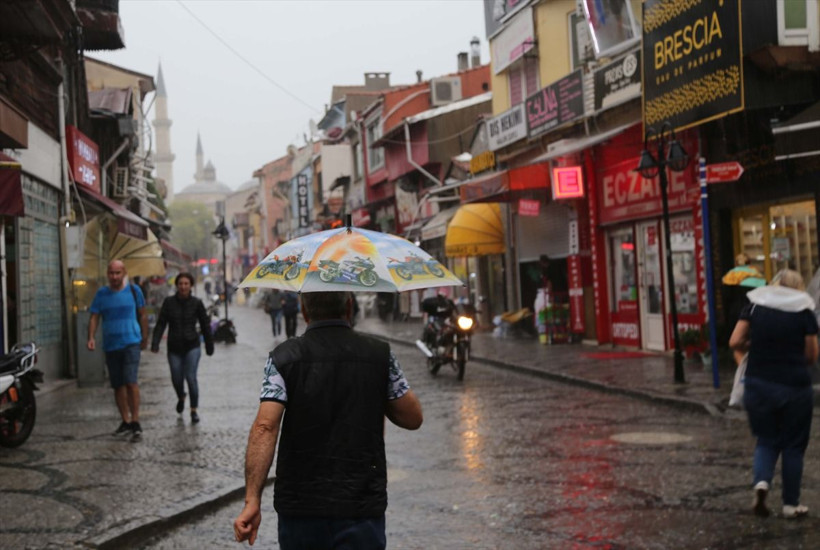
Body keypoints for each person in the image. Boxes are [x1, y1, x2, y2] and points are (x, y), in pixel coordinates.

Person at [233, 291, 422, 548]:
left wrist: (252, 500)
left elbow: (265, 427)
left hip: (301, 506)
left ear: (304, 309)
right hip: (360, 504)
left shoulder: (283, 358)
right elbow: (412, 418)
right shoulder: (380, 355)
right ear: (349, 306)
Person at [729, 268, 819, 519]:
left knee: (766, 440)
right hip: (794, 386)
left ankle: (761, 483)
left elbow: (735, 341)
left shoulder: (755, 305)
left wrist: (756, 345)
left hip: (758, 384)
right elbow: (811, 355)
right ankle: (791, 504)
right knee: (793, 445)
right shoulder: (804, 310)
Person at [87, 260, 148, 442]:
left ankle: (135, 420)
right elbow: (94, 317)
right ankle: (125, 420)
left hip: (131, 342)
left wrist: (145, 338)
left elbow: (143, 314)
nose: (114, 277)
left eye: (117, 273)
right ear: (107, 274)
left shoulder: (134, 291)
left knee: (131, 381)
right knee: (118, 385)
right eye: (111, 273)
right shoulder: (101, 294)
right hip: (111, 344)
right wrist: (91, 337)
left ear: (124, 273)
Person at [150, 272, 214, 424]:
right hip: (174, 347)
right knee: (176, 378)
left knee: (191, 377)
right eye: (181, 284)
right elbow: (161, 324)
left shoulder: (197, 303)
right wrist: (155, 342)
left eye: (186, 284)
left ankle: (193, 410)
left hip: (192, 345)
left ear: (190, 285)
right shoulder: (169, 302)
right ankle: (181, 396)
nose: (183, 286)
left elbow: (205, 325)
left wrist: (209, 345)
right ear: (177, 286)